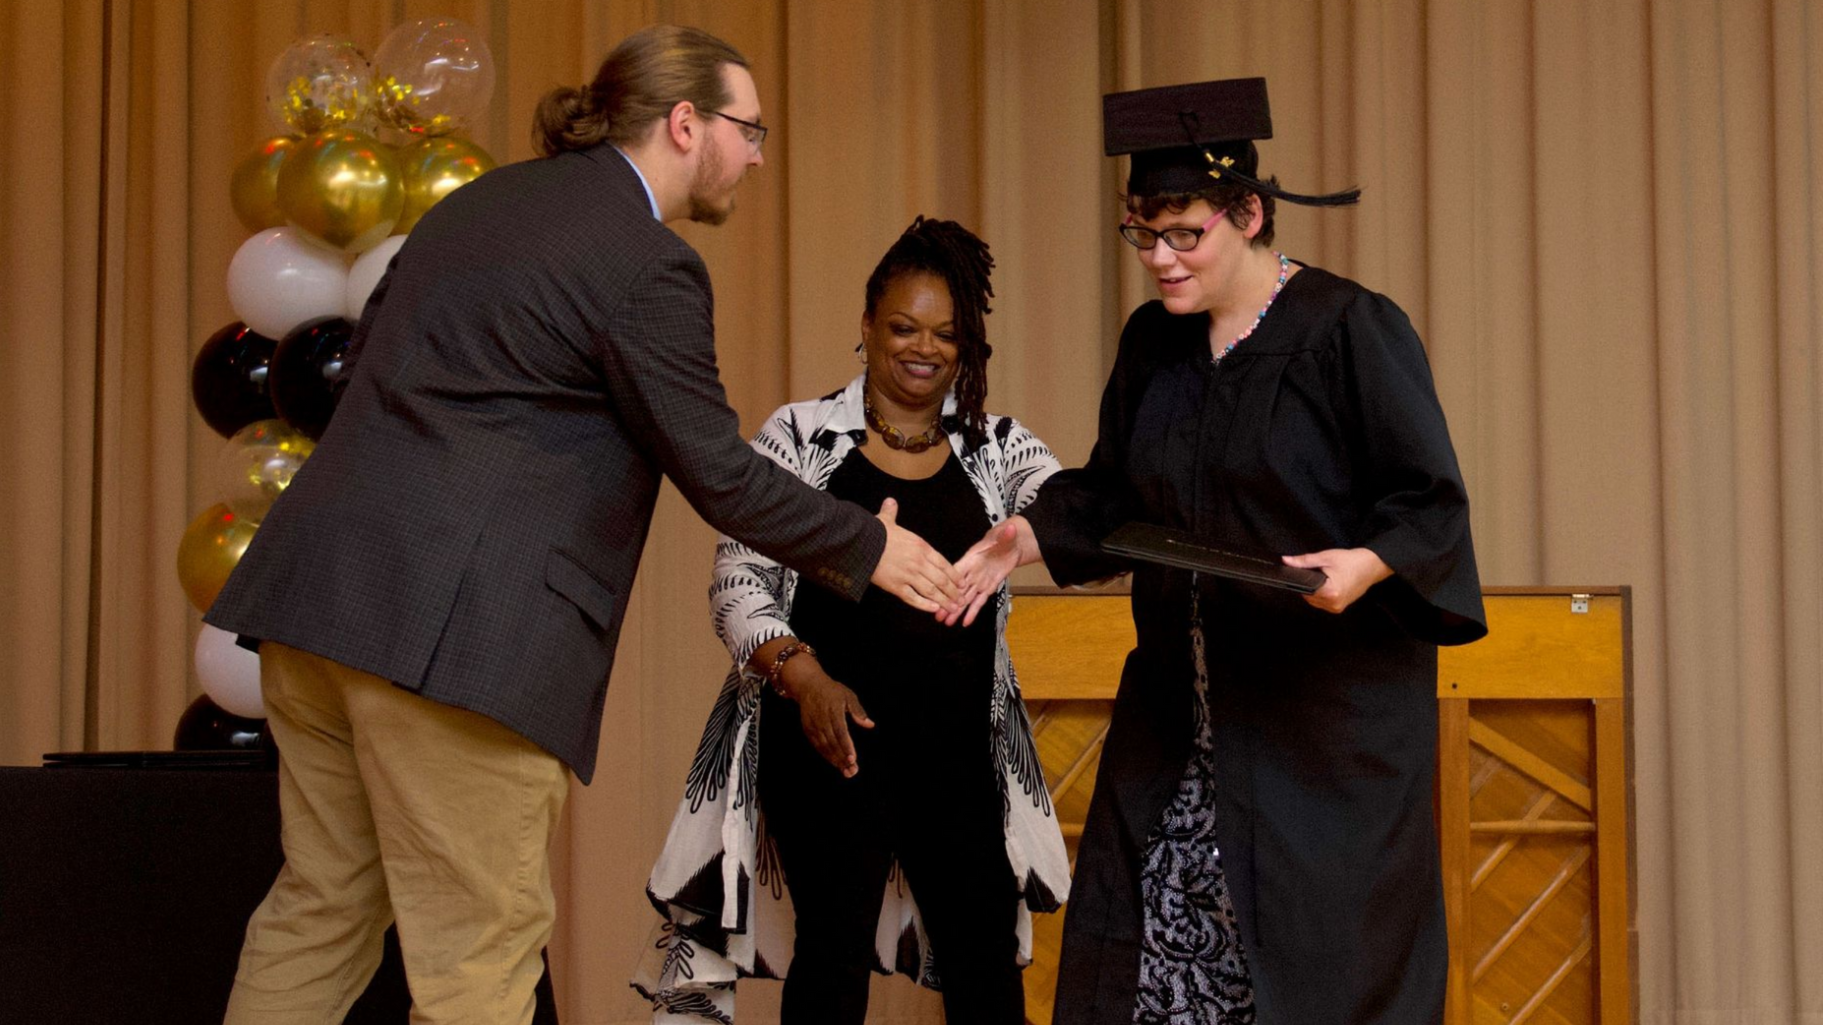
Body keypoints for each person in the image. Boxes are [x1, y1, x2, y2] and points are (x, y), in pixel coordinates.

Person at [203, 26, 963, 1025]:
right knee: (478, 950)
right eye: (749, 129)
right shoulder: (647, 261)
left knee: (321, 908)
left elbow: (371, 363)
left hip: (316, 606)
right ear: (685, 123)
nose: (758, 155)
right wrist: (875, 544)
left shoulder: (476, 203)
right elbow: (718, 471)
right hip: (453, 647)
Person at [951, 78, 1488, 1024]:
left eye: (1182, 234)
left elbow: (1428, 503)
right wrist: (1031, 530)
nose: (1158, 259)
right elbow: (1117, 488)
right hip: (1180, 722)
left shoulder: (1347, 331)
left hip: (1319, 737)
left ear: (1247, 213)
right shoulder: (1155, 345)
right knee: (1148, 969)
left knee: (1316, 974)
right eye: (1140, 234)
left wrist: (1363, 565)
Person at [634, 217, 1072, 1024]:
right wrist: (805, 680)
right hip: (829, 746)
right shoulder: (800, 436)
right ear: (866, 326)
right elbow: (736, 579)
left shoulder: (997, 448)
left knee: (984, 965)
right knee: (831, 960)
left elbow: (1085, 521)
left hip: (957, 755)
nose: (923, 348)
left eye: (946, 334)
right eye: (903, 326)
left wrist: (1030, 535)